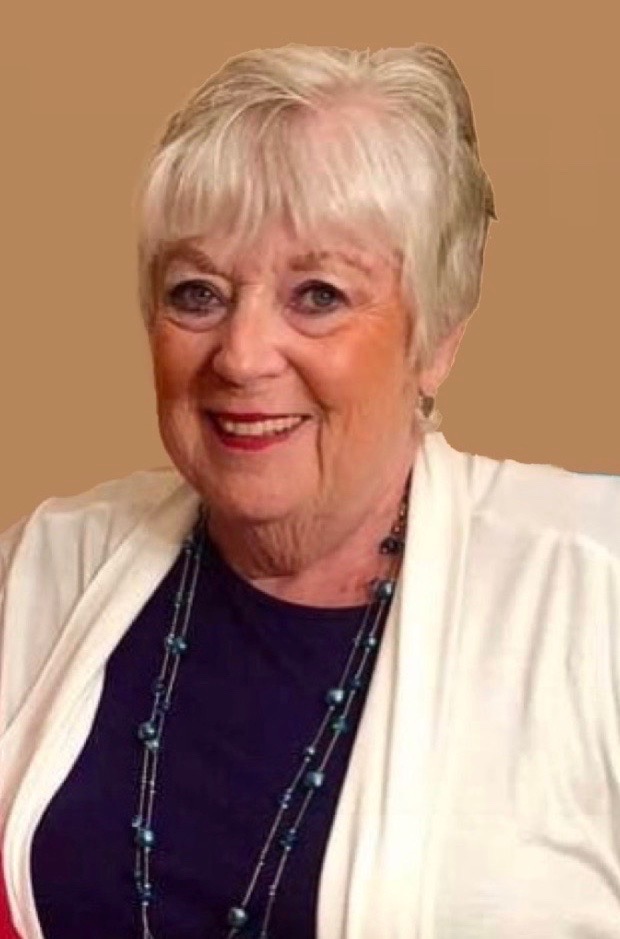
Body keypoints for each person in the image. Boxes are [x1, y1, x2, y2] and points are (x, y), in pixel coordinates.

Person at [1, 41, 619, 939]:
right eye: (197, 293)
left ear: (437, 337)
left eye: (319, 294)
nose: (242, 355)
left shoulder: (591, 591)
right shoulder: (41, 570)